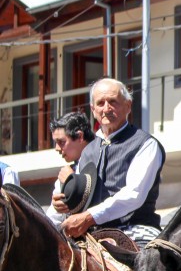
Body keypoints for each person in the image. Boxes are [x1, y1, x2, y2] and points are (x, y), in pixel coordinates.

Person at [48, 78, 164, 246]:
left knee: (144, 261)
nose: (106, 109)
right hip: (91, 235)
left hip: (135, 229)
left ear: (128, 106)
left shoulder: (146, 144)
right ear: (93, 109)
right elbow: (80, 199)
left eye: (113, 102)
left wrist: (89, 217)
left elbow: (134, 195)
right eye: (100, 103)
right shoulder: (87, 151)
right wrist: (61, 204)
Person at [49, 111, 96, 186]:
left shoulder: (102, 161)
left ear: (79, 137)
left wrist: (72, 181)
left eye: (61, 142)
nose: (57, 148)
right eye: (56, 143)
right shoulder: (69, 171)